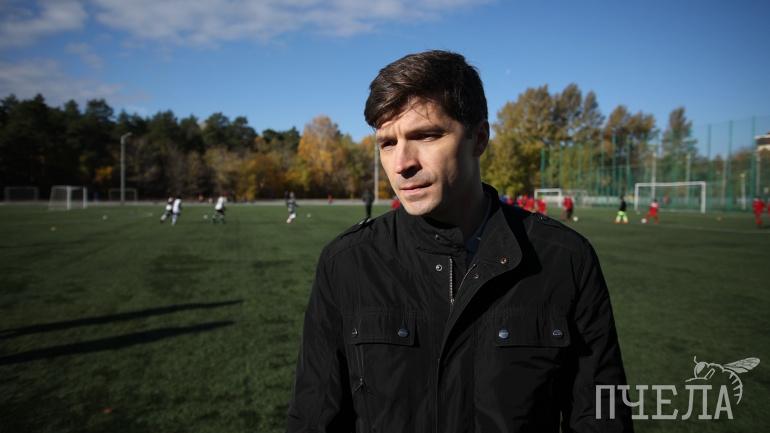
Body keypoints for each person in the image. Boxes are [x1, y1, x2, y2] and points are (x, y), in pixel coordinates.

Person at [287, 50, 632, 432]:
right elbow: (313, 419)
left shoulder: (564, 259)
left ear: (478, 138)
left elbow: (602, 418)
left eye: (425, 135)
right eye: (387, 143)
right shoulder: (347, 263)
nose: (401, 163)